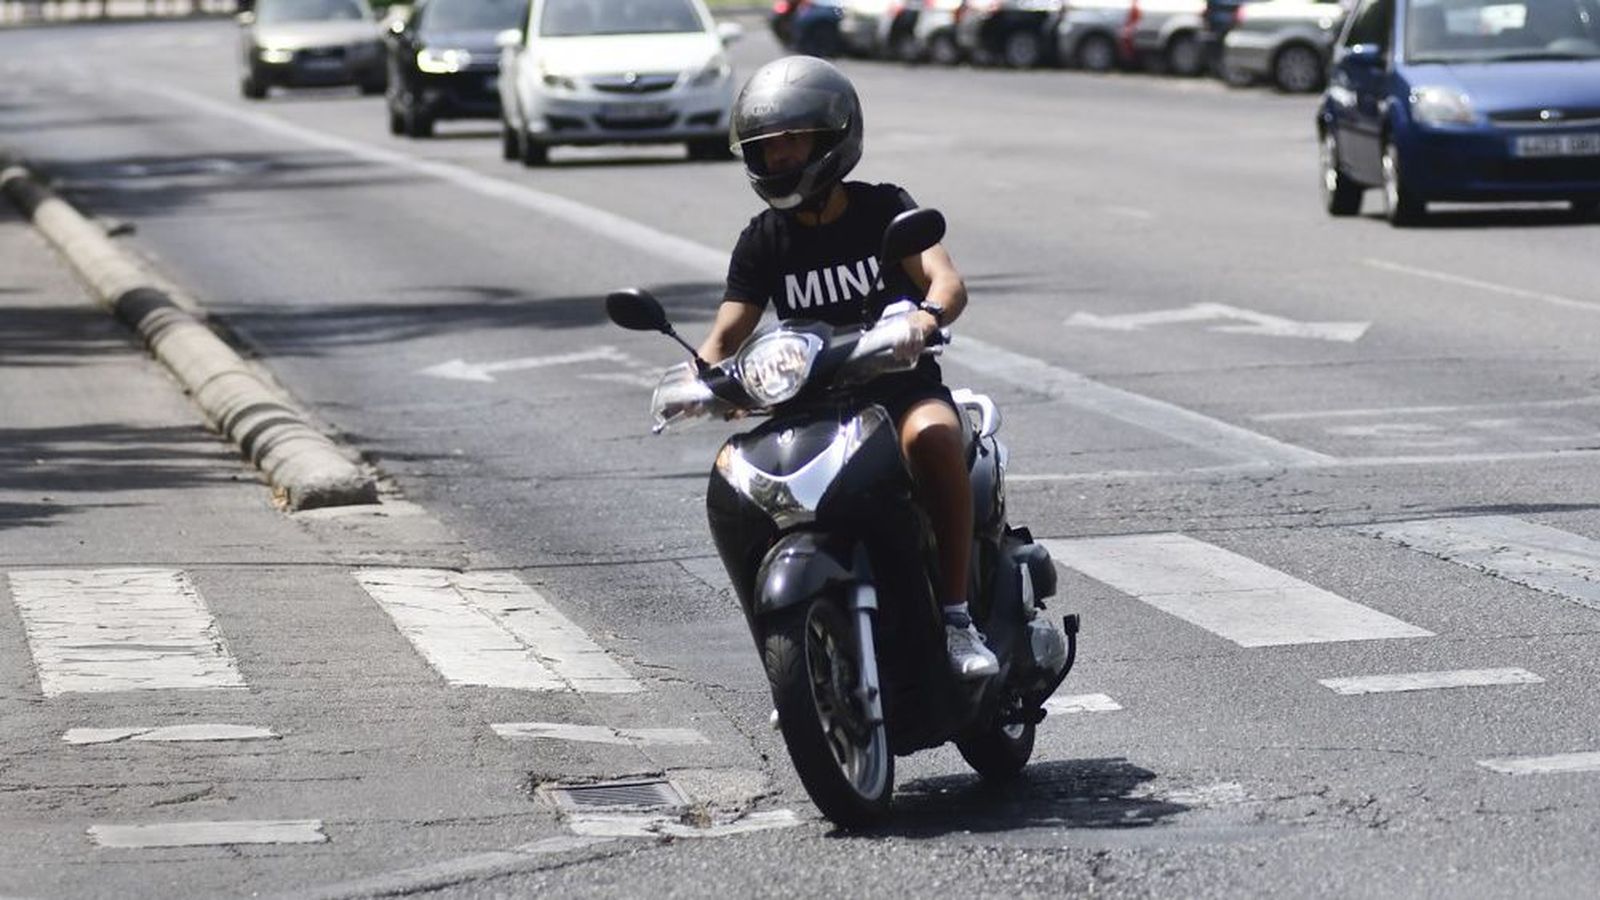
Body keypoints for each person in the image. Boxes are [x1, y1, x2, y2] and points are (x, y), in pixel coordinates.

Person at [696, 56, 999, 680]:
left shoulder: (883, 209)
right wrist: (696, 381)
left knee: (933, 436)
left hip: (900, 390)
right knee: (742, 482)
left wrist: (925, 318)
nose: (779, 156)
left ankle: (956, 618)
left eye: (791, 140)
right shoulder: (763, 240)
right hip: (813, 409)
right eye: (766, 146)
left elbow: (945, 281)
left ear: (831, 140)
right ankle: (794, 654)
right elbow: (726, 334)